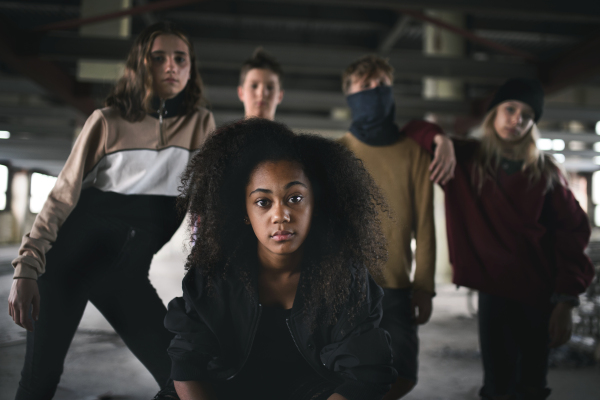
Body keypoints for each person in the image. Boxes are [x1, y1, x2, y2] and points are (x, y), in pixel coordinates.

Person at [7, 22, 215, 400]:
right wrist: (26, 268)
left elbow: (210, 205)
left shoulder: (200, 126)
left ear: (190, 67)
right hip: (67, 266)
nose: (171, 66)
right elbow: (61, 197)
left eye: (180, 58)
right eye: (159, 58)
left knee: (183, 381)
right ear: (140, 65)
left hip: (127, 275)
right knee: (40, 382)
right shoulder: (107, 121)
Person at [165, 118, 397, 400]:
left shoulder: (346, 277)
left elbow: (365, 375)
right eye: (263, 202)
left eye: (295, 198)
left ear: (316, 204)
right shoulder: (214, 274)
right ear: (244, 212)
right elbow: (188, 367)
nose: (280, 215)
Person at [408, 77, 595, 400]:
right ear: (494, 113)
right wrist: (442, 140)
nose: (516, 119)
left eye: (526, 115)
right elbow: (412, 129)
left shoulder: (545, 171)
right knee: (496, 388)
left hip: (540, 294)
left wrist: (566, 299)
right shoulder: (466, 160)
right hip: (494, 292)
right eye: (510, 109)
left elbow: (572, 231)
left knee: (532, 386)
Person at [338, 55, 439, 399]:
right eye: (365, 85)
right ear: (349, 94)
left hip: (397, 288)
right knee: (348, 376)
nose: (375, 90)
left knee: (402, 375)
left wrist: (424, 286)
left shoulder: (413, 154)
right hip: (345, 288)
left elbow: (425, 226)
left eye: (382, 84)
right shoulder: (337, 152)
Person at [237, 47, 284, 120]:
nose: (261, 93)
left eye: (270, 87)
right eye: (254, 86)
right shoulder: (225, 132)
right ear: (241, 93)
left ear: (280, 96)